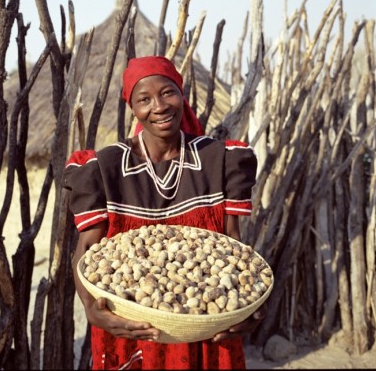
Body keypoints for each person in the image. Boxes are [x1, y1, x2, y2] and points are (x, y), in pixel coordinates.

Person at [64, 55, 263, 370]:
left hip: (204, 322)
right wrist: (91, 308)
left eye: (168, 93)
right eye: (144, 98)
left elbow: (232, 244)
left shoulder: (219, 160)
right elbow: (88, 248)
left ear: (181, 96)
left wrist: (247, 306)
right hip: (131, 325)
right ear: (133, 107)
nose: (158, 105)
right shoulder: (106, 167)